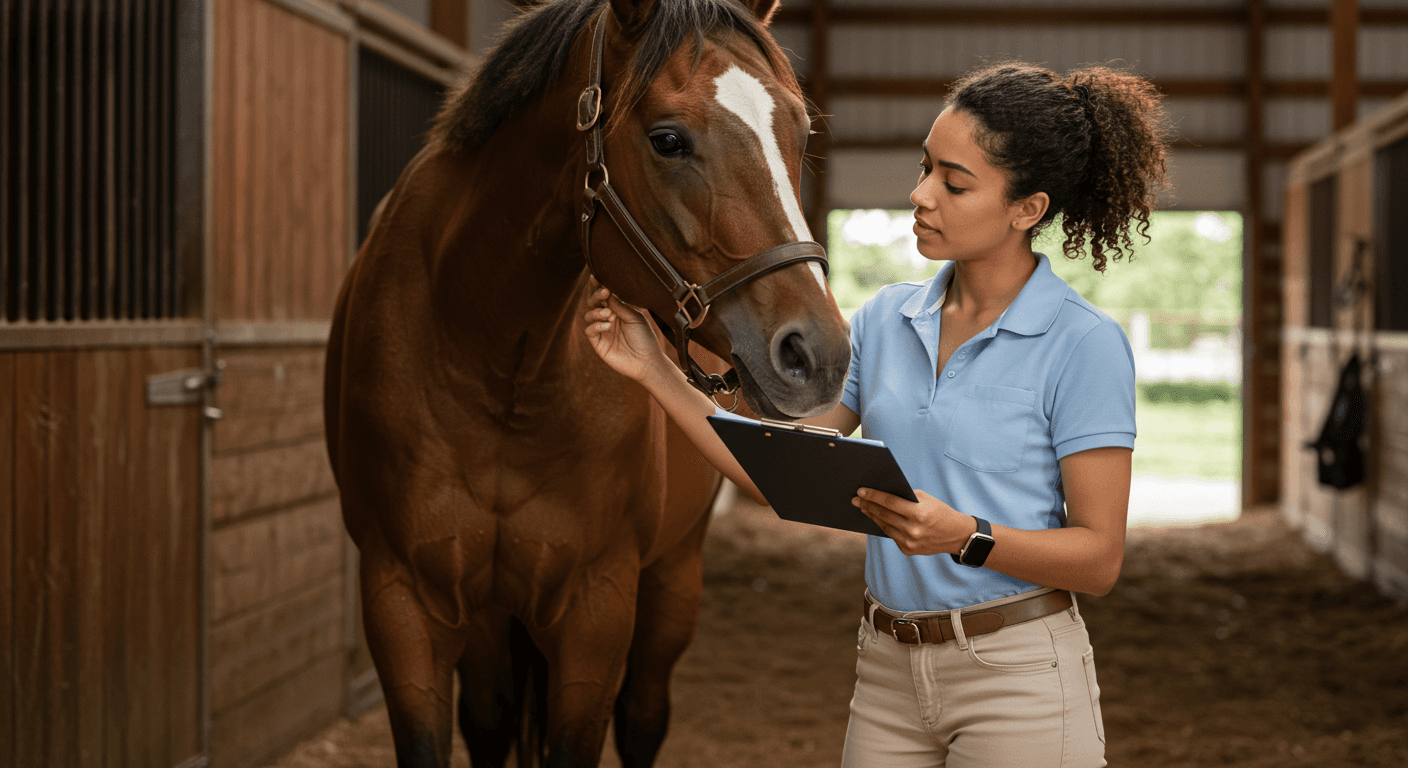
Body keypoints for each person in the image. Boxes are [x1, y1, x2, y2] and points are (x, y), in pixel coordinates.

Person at [584, 61, 1170, 767]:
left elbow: (1099, 560)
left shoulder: (1083, 343)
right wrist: (654, 371)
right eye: (925, 168)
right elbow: (784, 469)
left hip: (1019, 675)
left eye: (954, 183)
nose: (920, 194)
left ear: (1027, 209)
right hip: (888, 671)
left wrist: (966, 536)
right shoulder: (887, 318)